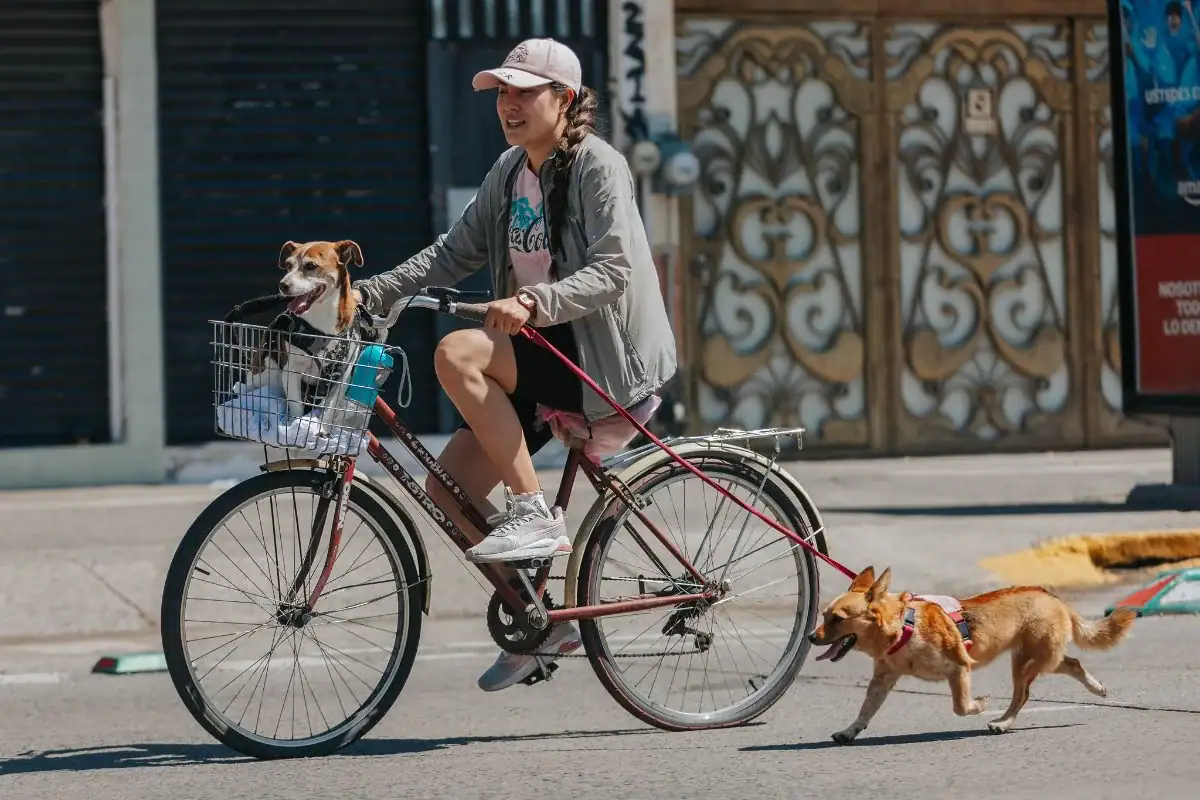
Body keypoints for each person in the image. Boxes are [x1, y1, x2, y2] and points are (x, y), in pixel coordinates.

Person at [352, 38, 677, 691]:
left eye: (524, 91)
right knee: (447, 490)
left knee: (457, 350)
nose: (509, 103)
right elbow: (452, 253)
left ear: (564, 99)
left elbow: (613, 269)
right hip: (541, 355)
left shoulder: (598, 166)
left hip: (602, 362)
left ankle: (532, 511)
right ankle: (539, 620)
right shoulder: (509, 172)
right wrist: (370, 292)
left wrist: (532, 300)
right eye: (502, 91)